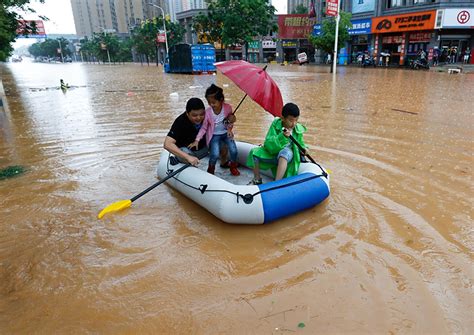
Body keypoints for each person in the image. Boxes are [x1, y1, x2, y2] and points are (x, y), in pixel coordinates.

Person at [247, 102, 308, 185]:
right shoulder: (276, 124)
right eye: (290, 120)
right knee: (254, 153)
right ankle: (257, 179)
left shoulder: (297, 129)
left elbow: (301, 143)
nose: (293, 124)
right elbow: (269, 144)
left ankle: (277, 183)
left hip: (287, 155)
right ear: (283, 118)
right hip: (273, 153)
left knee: (285, 152)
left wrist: (304, 149)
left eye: (296, 120)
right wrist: (282, 137)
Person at [190, 84, 240, 176]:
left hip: (226, 133)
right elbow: (204, 127)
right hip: (214, 136)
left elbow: (229, 122)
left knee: (234, 150)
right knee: (215, 154)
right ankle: (211, 168)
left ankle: (233, 166)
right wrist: (197, 140)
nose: (211, 105)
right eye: (209, 102)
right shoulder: (208, 112)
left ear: (221, 100)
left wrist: (229, 128)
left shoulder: (228, 108)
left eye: (213, 102)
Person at [164, 97, 207, 166]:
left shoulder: (208, 117)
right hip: (187, 152)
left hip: (203, 149)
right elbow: (167, 144)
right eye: (194, 115)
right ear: (187, 113)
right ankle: (178, 159)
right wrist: (188, 157)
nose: (199, 118)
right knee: (185, 152)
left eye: (201, 114)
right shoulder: (180, 122)